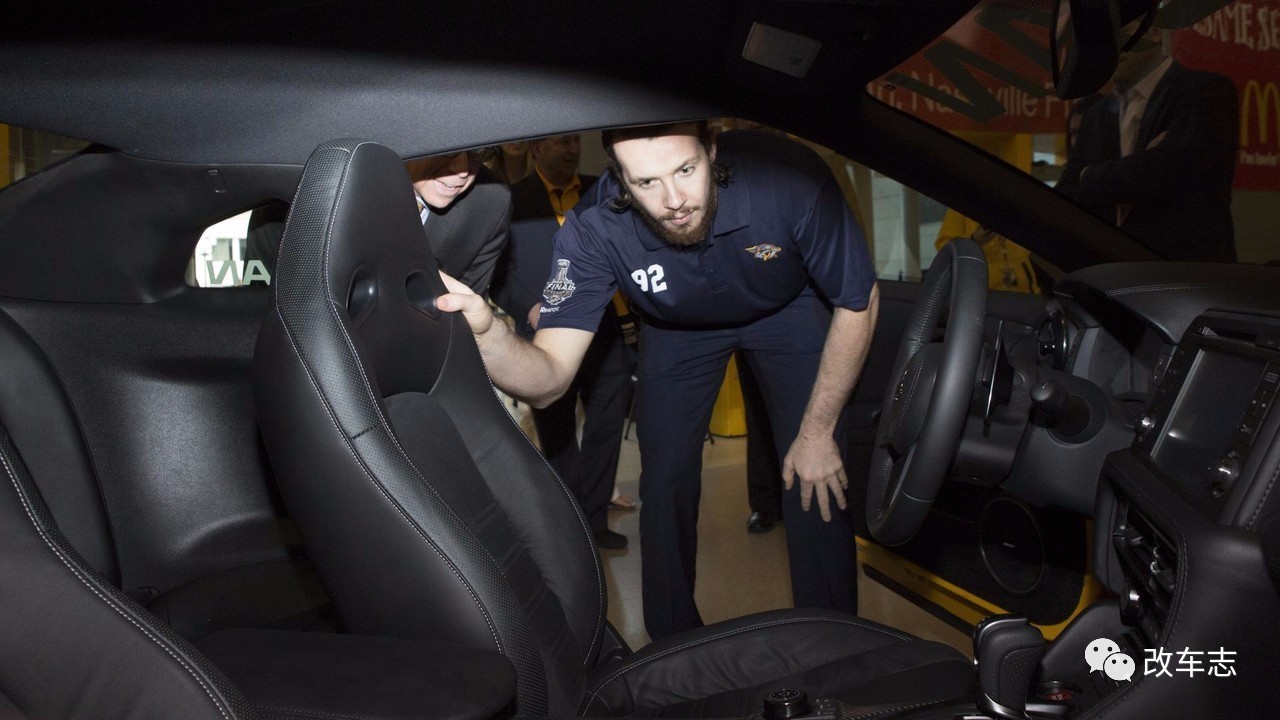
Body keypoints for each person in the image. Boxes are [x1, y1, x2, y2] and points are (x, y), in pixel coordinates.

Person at [438, 121, 880, 640]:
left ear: (710, 149)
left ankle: (835, 638)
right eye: (646, 182)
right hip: (677, 327)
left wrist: (817, 431)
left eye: (686, 170)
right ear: (619, 178)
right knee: (664, 476)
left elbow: (859, 300)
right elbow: (551, 377)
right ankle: (673, 641)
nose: (674, 200)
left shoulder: (788, 179)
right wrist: (488, 335)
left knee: (816, 466)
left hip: (786, 307)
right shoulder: (593, 226)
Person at [490, 134, 632, 550]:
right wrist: (529, 308)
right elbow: (500, 274)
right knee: (558, 432)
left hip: (603, 333)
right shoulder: (511, 199)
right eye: (560, 143)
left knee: (607, 425)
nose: (572, 150)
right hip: (544, 336)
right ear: (536, 150)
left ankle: (596, 518)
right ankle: (573, 524)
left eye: (574, 142)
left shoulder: (600, 190)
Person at [1055, 22, 1238, 262]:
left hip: (1188, 273)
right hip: (1116, 273)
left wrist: (1087, 176)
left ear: (1154, 31)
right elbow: (1068, 194)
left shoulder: (1206, 91)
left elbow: (1169, 171)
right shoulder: (1096, 115)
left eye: (1122, 33)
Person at [406, 149, 513, 294]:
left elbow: (468, 299)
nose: (463, 171)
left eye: (475, 152)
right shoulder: (372, 179)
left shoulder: (490, 204)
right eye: (447, 151)